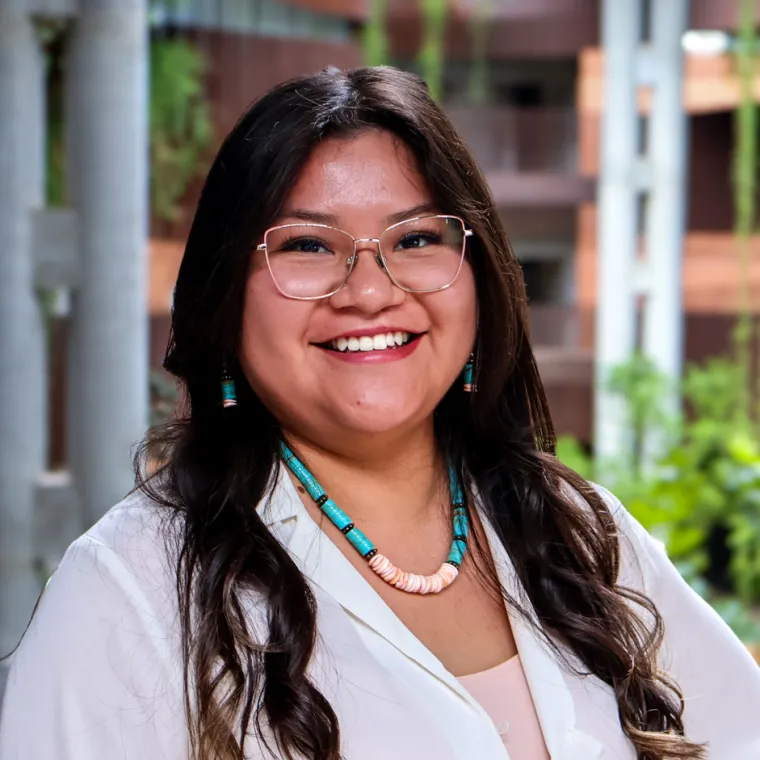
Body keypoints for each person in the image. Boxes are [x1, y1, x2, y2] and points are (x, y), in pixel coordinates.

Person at [1, 65, 759, 760]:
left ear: (480, 278)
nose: (368, 290)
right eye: (306, 245)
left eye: (418, 237)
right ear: (223, 298)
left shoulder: (575, 530)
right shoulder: (128, 594)